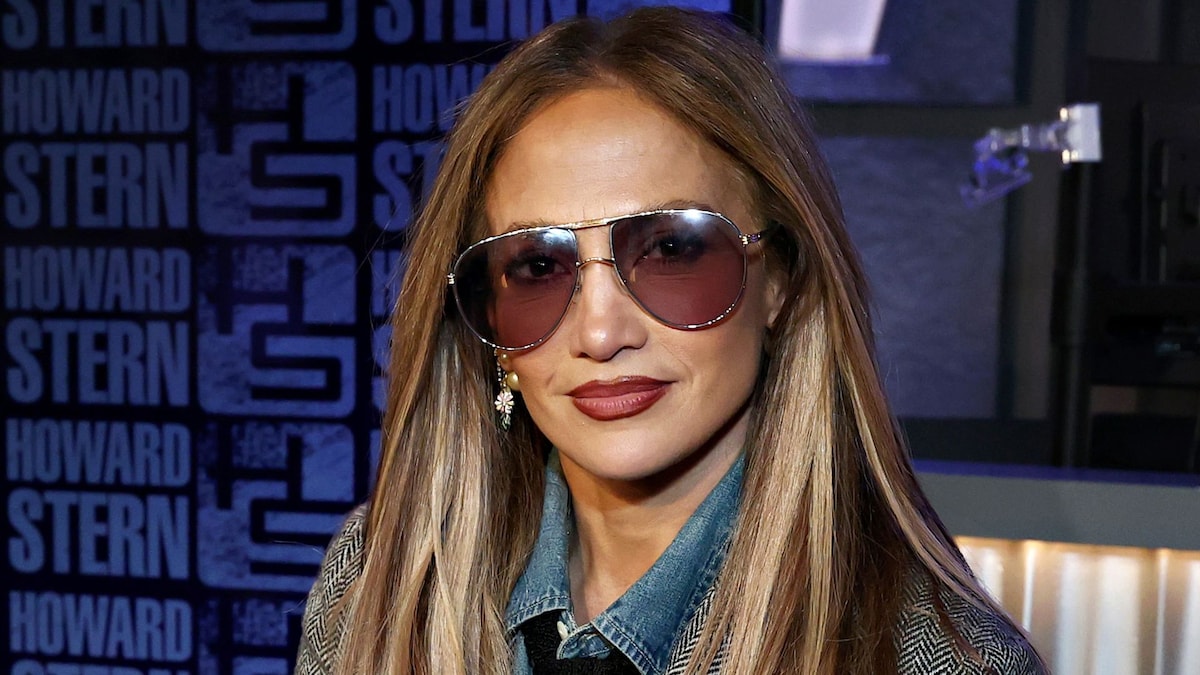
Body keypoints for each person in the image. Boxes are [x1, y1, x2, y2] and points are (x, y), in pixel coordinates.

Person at [295, 7, 1046, 675]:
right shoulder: (377, 585)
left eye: (673, 251)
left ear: (781, 279)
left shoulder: (939, 660)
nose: (600, 332)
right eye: (538, 267)